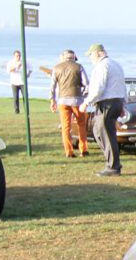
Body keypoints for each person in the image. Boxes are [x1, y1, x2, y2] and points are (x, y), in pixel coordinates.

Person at [81, 44, 125, 176]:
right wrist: (123, 104)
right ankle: (112, 163)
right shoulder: (116, 65)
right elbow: (123, 86)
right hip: (116, 101)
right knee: (99, 131)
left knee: (105, 133)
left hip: (107, 103)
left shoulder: (102, 66)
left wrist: (86, 102)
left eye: (91, 55)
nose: (90, 58)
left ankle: (113, 166)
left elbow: (98, 88)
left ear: (99, 53)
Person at [49, 49, 89, 157]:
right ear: (74, 57)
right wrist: (84, 96)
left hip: (62, 100)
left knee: (65, 127)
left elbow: (52, 86)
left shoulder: (56, 68)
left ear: (63, 57)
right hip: (77, 100)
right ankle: (83, 149)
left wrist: (52, 100)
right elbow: (86, 84)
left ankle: (69, 151)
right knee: (81, 125)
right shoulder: (79, 67)